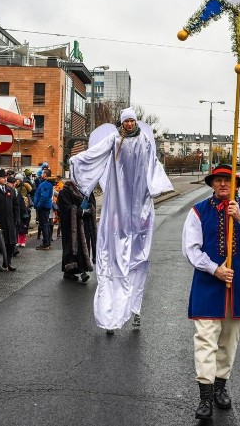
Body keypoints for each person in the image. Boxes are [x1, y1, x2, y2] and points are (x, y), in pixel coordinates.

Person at [70, 107, 173, 334]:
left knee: (138, 261)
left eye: (132, 121)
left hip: (139, 205)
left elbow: (153, 165)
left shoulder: (144, 140)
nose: (128, 124)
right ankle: (110, 313)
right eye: (125, 121)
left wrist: (156, 187)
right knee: (114, 261)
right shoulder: (114, 139)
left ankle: (134, 310)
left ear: (135, 122)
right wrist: (78, 161)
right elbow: (95, 153)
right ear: (122, 122)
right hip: (118, 204)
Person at [181, 164, 240, 420]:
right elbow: (191, 249)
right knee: (205, 338)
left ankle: (220, 386)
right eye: (218, 180)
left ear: (236, 185)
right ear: (211, 184)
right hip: (209, 283)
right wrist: (214, 269)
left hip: (239, 283)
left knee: (229, 340)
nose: (223, 185)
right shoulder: (198, 212)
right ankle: (206, 398)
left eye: (228, 181)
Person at [56, 178, 93, 282]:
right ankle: (76, 271)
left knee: (80, 248)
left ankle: (72, 271)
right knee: (72, 248)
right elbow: (67, 208)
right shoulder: (64, 192)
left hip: (80, 224)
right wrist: (82, 212)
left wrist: (89, 209)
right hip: (70, 226)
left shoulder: (81, 191)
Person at [33, 169, 56, 251]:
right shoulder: (46, 183)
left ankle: (46, 243)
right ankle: (47, 243)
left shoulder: (46, 184)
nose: (41, 174)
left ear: (45, 175)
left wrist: (38, 205)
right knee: (45, 224)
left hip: (43, 207)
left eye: (42, 173)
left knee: (44, 225)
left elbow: (44, 196)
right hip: (45, 206)